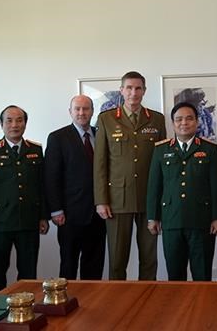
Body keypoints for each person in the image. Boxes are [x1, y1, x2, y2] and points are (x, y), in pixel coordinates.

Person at [94, 71, 167, 280]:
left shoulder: (156, 119)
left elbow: (163, 163)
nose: (133, 93)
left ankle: (147, 301)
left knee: (149, 259)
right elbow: (100, 164)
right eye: (129, 88)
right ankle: (117, 305)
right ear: (121, 90)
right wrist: (101, 200)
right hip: (118, 200)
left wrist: (161, 200)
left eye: (138, 88)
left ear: (144, 91)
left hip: (148, 198)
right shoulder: (106, 119)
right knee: (117, 260)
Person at [146, 102, 217, 280]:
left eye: (189, 118)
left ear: (197, 122)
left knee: (203, 274)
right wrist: (153, 217)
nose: (184, 123)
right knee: (175, 275)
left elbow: (216, 186)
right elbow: (154, 186)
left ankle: (204, 307)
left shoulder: (210, 149)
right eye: (179, 119)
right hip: (171, 220)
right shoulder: (161, 150)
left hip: (201, 221)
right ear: (173, 123)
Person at [0, 105, 48, 294]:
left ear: (25, 123)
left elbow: (41, 186)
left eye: (19, 120)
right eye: (9, 120)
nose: (14, 125)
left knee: (28, 273)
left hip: (29, 220)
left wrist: (43, 217)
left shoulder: (35, 149)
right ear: (1, 124)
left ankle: (26, 311)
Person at [45, 95, 106, 280]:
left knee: (94, 266)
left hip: (98, 214)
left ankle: (93, 305)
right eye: (77, 109)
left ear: (92, 111)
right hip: (69, 215)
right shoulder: (58, 137)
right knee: (69, 266)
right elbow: (51, 176)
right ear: (70, 112)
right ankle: (66, 304)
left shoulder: (100, 135)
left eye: (86, 109)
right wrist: (55, 210)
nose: (82, 113)